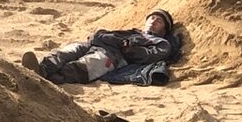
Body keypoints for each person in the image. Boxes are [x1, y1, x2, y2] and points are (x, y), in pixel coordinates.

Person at [21, 9, 179, 86]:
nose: (153, 21)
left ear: (164, 29)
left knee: (82, 67)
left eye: (159, 21)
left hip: (114, 57)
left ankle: (46, 81)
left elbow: (148, 56)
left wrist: (129, 49)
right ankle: (39, 70)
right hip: (95, 45)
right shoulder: (132, 32)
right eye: (152, 17)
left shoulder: (162, 43)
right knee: (65, 52)